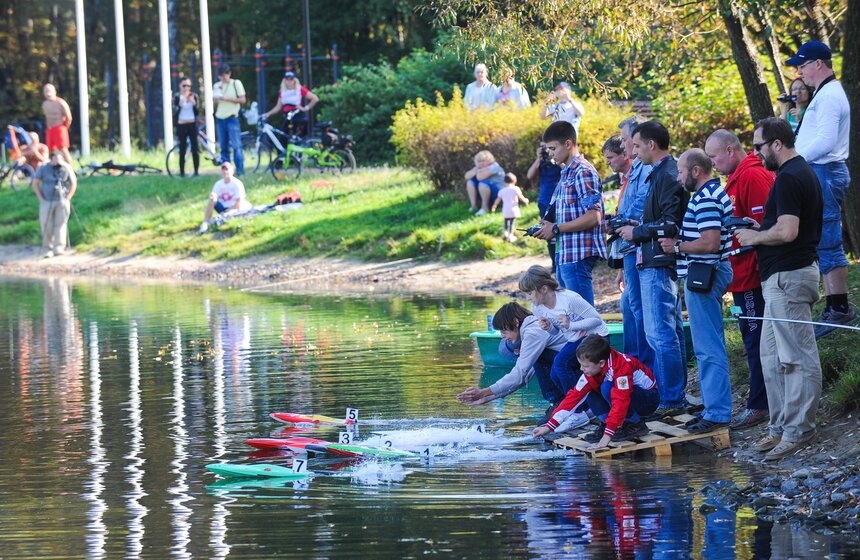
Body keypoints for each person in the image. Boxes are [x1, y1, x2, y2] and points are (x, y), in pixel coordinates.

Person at [734, 117, 823, 461]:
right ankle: (779, 427)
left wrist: (756, 236)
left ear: (776, 143)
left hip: (790, 277)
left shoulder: (789, 177)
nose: (756, 154)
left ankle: (799, 430)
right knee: (772, 358)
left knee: (797, 357)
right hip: (779, 277)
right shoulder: (793, 174)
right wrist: (761, 227)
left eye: (758, 146)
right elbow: (785, 226)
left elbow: (788, 232)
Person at [617, 120, 689, 419]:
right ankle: (674, 395)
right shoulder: (659, 173)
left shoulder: (667, 174)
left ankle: (672, 398)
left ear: (651, 144)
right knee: (666, 331)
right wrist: (635, 226)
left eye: (636, 145)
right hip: (652, 259)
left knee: (660, 333)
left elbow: (672, 223)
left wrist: (638, 232)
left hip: (658, 262)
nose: (632, 151)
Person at [659, 149, 734, 434]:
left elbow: (710, 242)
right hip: (706, 273)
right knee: (706, 347)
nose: (678, 178)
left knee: (708, 349)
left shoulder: (705, 199)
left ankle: (717, 413)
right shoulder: (709, 195)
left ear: (696, 171)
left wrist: (677, 246)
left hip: (706, 274)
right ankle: (714, 408)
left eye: (680, 172)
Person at [705, 129, 774, 430]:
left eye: (714, 156)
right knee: (753, 339)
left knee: (757, 340)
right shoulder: (737, 178)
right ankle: (762, 400)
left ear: (731, 150)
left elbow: (765, 227)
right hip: (742, 274)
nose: (713, 163)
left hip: (752, 275)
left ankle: (760, 404)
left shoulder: (751, 177)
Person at [788, 40, 854, 337]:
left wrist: (795, 160)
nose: (800, 73)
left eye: (802, 66)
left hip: (825, 171)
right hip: (822, 171)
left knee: (828, 240)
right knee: (822, 240)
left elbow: (826, 142)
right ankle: (834, 306)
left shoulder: (829, 97)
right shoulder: (824, 93)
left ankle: (839, 309)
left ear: (818, 64)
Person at [519, 264, 610, 430]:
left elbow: (596, 320)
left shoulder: (569, 299)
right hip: (576, 338)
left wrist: (571, 324)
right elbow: (556, 331)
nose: (528, 297)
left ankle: (579, 412)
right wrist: (549, 327)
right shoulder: (537, 308)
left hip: (596, 336)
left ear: (544, 289)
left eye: (530, 293)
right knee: (555, 372)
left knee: (561, 364)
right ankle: (584, 407)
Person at [533, 334, 659, 449]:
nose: (582, 369)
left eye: (586, 366)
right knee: (589, 390)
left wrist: (606, 438)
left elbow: (621, 401)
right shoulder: (593, 371)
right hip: (626, 398)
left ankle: (635, 423)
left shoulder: (622, 367)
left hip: (648, 400)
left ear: (601, 363)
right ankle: (606, 424)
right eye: (581, 365)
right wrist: (549, 427)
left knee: (607, 388)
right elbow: (572, 398)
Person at [533, 121, 606, 306]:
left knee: (582, 317)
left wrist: (556, 228)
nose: (550, 153)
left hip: (578, 254)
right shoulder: (567, 172)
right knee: (571, 317)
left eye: (553, 148)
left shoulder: (583, 172)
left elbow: (594, 216)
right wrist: (548, 228)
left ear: (568, 144)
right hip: (565, 253)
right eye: (548, 149)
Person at [456, 302, 574, 414]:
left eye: (504, 330)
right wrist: (487, 398)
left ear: (515, 322)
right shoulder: (531, 328)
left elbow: (519, 374)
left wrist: (483, 392)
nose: (503, 336)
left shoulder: (533, 332)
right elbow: (523, 377)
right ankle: (561, 403)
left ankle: (563, 403)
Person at [612, 116, 653, 372]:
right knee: (632, 306)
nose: (627, 146)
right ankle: (635, 366)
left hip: (640, 248)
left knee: (642, 311)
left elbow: (638, 208)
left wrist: (619, 222)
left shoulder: (645, 169)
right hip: (628, 250)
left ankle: (645, 372)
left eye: (628, 140)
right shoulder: (635, 171)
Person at [31, 150, 77, 257]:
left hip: (62, 200)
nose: (58, 163)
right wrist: (41, 198)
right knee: (47, 224)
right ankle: (47, 248)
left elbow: (73, 182)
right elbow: (35, 183)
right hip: (46, 200)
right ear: (51, 159)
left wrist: (69, 196)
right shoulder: (43, 167)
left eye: (60, 160)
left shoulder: (66, 167)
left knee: (61, 224)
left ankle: (59, 247)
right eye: (56, 159)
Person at [526, 140, 561, 271]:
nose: (547, 150)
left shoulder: (558, 160)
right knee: (548, 232)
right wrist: (538, 158)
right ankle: (554, 264)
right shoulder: (540, 162)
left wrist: (554, 158)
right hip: (544, 200)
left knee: (558, 230)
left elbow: (566, 171)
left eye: (549, 147)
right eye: (544, 147)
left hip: (558, 200)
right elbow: (530, 175)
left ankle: (559, 260)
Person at [198, 161, 251, 234]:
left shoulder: (237, 184)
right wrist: (213, 198)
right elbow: (214, 196)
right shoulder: (218, 184)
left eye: (227, 169)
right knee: (211, 199)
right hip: (222, 207)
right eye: (223, 170)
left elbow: (239, 202)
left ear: (232, 171)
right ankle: (205, 223)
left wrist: (228, 211)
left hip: (234, 208)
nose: (225, 172)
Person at [263, 71, 319, 137]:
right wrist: (268, 114)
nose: (289, 81)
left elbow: (315, 98)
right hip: (287, 116)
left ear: (294, 80)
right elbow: (278, 107)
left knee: (297, 134)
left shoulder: (299, 89)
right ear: (284, 80)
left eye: (291, 79)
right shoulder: (282, 92)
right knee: (283, 135)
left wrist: (305, 108)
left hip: (297, 114)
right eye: (287, 79)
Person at [213, 64, 246, 175]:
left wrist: (227, 98)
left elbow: (242, 100)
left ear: (229, 74)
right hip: (220, 118)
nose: (223, 78)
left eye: (225, 75)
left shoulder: (236, 84)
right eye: (221, 76)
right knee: (224, 147)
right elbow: (216, 103)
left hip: (232, 118)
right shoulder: (217, 86)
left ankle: (240, 170)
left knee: (236, 146)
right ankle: (227, 172)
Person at [465, 150, 506, 215]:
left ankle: (485, 208)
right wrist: (476, 171)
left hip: (499, 194)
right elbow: (467, 176)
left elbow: (480, 177)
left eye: (483, 161)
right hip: (487, 193)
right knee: (470, 182)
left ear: (489, 160)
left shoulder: (494, 167)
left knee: (483, 183)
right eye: (479, 161)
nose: (481, 163)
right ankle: (474, 206)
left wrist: (477, 171)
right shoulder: (480, 167)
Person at [173, 76, 199, 177]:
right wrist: (181, 102)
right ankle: (182, 171)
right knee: (182, 148)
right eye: (184, 85)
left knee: (195, 148)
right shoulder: (177, 96)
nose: (186, 88)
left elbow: (198, 110)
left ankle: (196, 171)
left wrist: (193, 102)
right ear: (180, 85)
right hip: (181, 125)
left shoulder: (194, 95)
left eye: (188, 85)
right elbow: (174, 111)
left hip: (192, 124)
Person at [491, 172, 529, 242]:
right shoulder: (515, 189)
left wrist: (494, 206)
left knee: (506, 222)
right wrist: (525, 201)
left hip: (505, 210)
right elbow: (520, 197)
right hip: (513, 209)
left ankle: (505, 232)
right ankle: (510, 235)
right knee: (512, 223)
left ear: (505, 181)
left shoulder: (502, 190)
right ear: (514, 180)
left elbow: (498, 199)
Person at [41, 83, 73, 166]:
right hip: (50, 129)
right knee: (52, 150)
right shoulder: (45, 104)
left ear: (54, 91)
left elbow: (68, 118)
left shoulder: (61, 103)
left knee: (63, 149)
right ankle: (59, 168)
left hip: (60, 128)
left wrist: (63, 128)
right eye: (46, 91)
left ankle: (71, 170)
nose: (48, 93)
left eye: (49, 91)